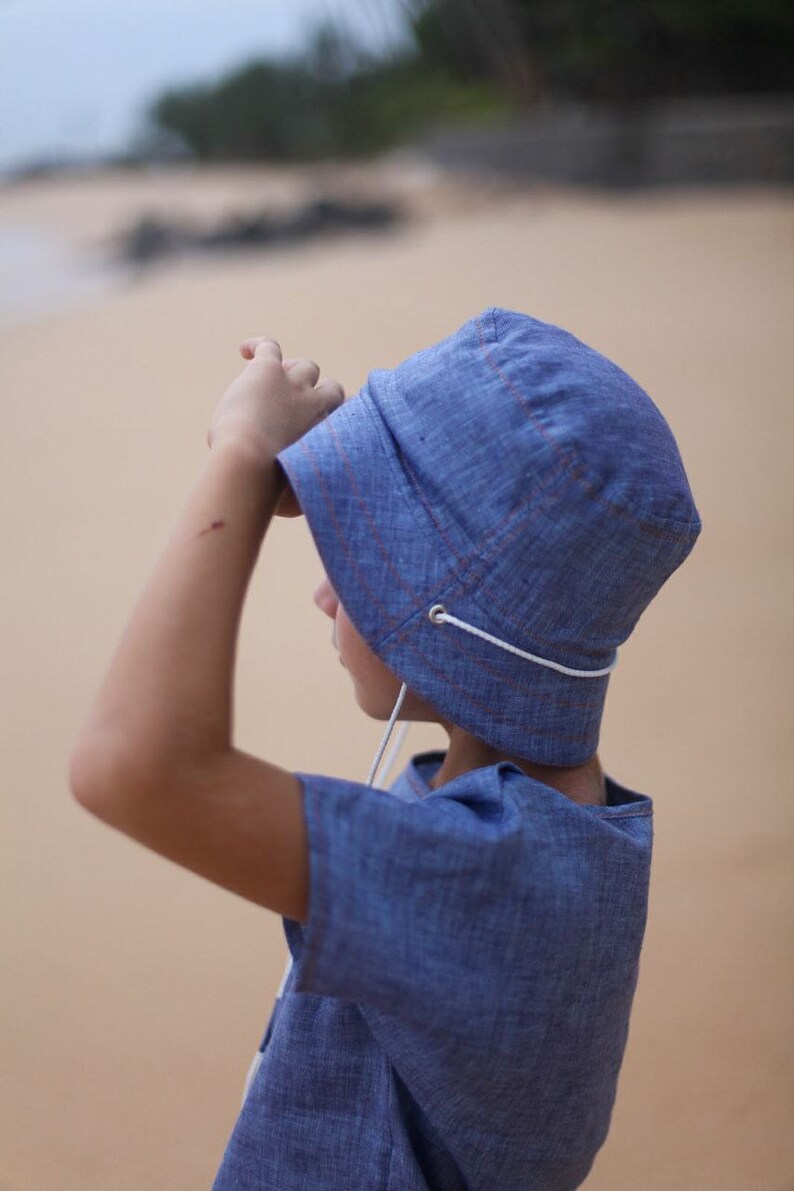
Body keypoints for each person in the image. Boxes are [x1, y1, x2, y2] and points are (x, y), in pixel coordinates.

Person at [70, 308, 701, 1190]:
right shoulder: (550, 841)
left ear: (462, 623)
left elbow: (132, 765)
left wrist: (244, 457)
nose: (327, 593)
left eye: (369, 562)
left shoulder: (489, 887)